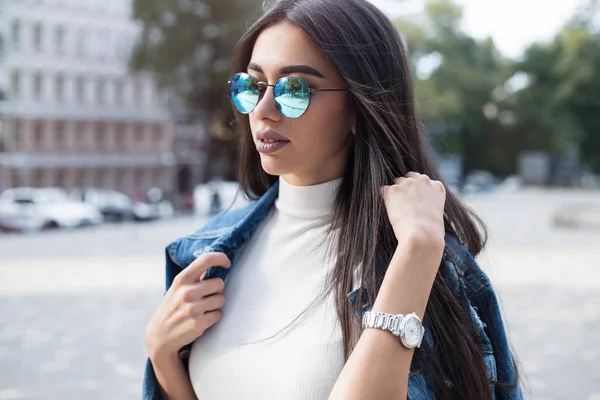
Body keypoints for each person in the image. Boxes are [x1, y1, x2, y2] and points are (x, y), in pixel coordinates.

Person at [143, 0, 523, 399]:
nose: (264, 110)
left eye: (295, 89)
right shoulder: (207, 256)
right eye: (251, 85)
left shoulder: (421, 265)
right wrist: (163, 355)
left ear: (359, 107)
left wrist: (418, 251)